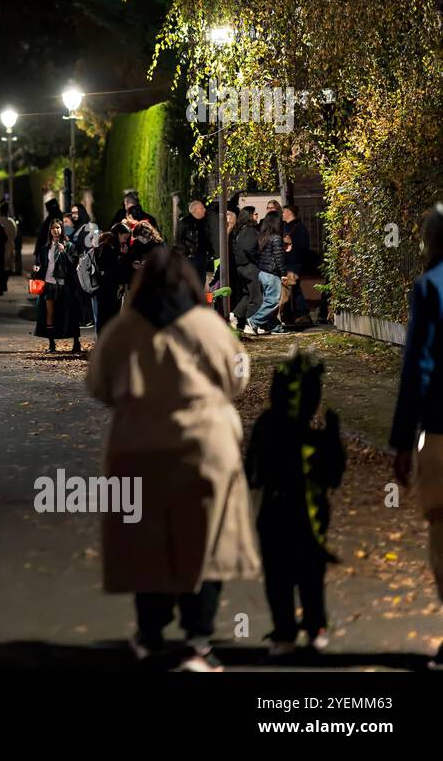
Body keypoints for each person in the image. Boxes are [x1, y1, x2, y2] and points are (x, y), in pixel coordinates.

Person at [86, 248, 259, 671]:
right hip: (204, 447)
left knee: (147, 543)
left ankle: (150, 633)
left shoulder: (123, 329)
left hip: (139, 448)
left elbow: (98, 384)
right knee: (206, 541)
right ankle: (198, 639)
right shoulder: (208, 326)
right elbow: (238, 377)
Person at [245, 351, 345, 656]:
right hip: (311, 515)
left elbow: (252, 473)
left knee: (278, 576)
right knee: (310, 574)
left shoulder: (266, 426)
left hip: (274, 512)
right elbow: (334, 477)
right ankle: (316, 626)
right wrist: (333, 436)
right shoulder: (320, 436)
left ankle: (285, 631)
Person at [389, 203, 443, 670]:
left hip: (442, 428)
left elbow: (418, 368)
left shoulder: (429, 289)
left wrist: (402, 441)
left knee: (442, 529)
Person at [33, 219, 82, 354]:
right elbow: (41, 264)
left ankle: (76, 343)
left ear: (62, 230)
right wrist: (37, 268)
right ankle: (51, 344)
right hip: (49, 284)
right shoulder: (45, 249)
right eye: (53, 228)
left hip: (64, 284)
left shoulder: (70, 246)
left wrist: (64, 252)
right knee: (50, 313)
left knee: (70, 312)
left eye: (59, 228)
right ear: (50, 231)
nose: (56, 230)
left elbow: (74, 266)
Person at [245, 211, 286, 335]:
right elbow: (279, 257)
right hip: (272, 274)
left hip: (263, 272)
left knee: (269, 301)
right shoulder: (276, 238)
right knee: (272, 302)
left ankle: (275, 327)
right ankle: (253, 322)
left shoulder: (262, 237)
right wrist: (283, 273)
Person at [230, 206, 262, 329]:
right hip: (249, 266)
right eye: (255, 214)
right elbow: (249, 248)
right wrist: (257, 261)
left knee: (247, 294)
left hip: (240, 266)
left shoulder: (238, 230)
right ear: (249, 216)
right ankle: (251, 324)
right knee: (256, 297)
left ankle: (235, 314)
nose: (256, 216)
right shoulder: (250, 230)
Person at [176, 200, 212, 284]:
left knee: (201, 281)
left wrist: (210, 252)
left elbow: (207, 239)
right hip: (191, 258)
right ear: (195, 210)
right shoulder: (185, 222)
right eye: (201, 208)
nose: (204, 210)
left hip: (202, 257)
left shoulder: (205, 222)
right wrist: (187, 254)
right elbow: (179, 240)